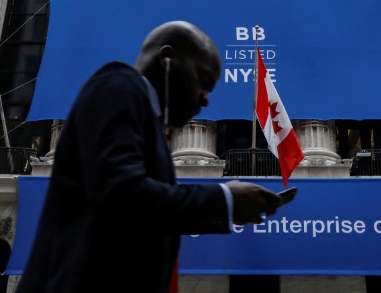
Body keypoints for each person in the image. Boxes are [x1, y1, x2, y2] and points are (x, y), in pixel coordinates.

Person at [17, 20, 281, 293]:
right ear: (167, 59)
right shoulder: (117, 87)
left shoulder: (146, 120)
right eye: (203, 81)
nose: (205, 100)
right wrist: (224, 200)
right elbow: (122, 196)